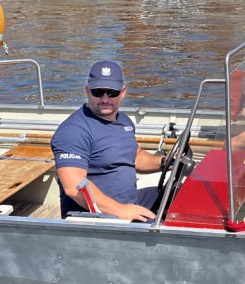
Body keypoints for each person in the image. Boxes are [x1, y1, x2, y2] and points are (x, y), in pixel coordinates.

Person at [51, 60, 166, 221]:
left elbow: (135, 155)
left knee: (179, 194)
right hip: (98, 217)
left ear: (123, 92)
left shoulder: (124, 121)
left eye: (112, 93)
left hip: (129, 203)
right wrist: (121, 211)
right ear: (87, 91)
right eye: (98, 92)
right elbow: (73, 187)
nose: (105, 99)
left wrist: (164, 162)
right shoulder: (73, 131)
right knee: (164, 226)